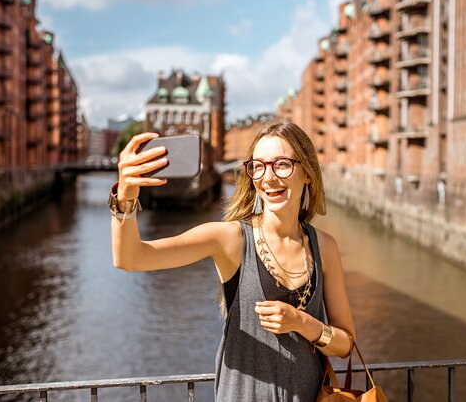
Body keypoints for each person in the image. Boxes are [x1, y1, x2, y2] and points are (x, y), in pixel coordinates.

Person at [110, 121, 356, 401]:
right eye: (258, 166)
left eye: (282, 164)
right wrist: (126, 196)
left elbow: (346, 344)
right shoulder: (230, 239)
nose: (269, 177)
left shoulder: (324, 247)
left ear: (308, 173)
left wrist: (303, 323)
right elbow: (130, 258)